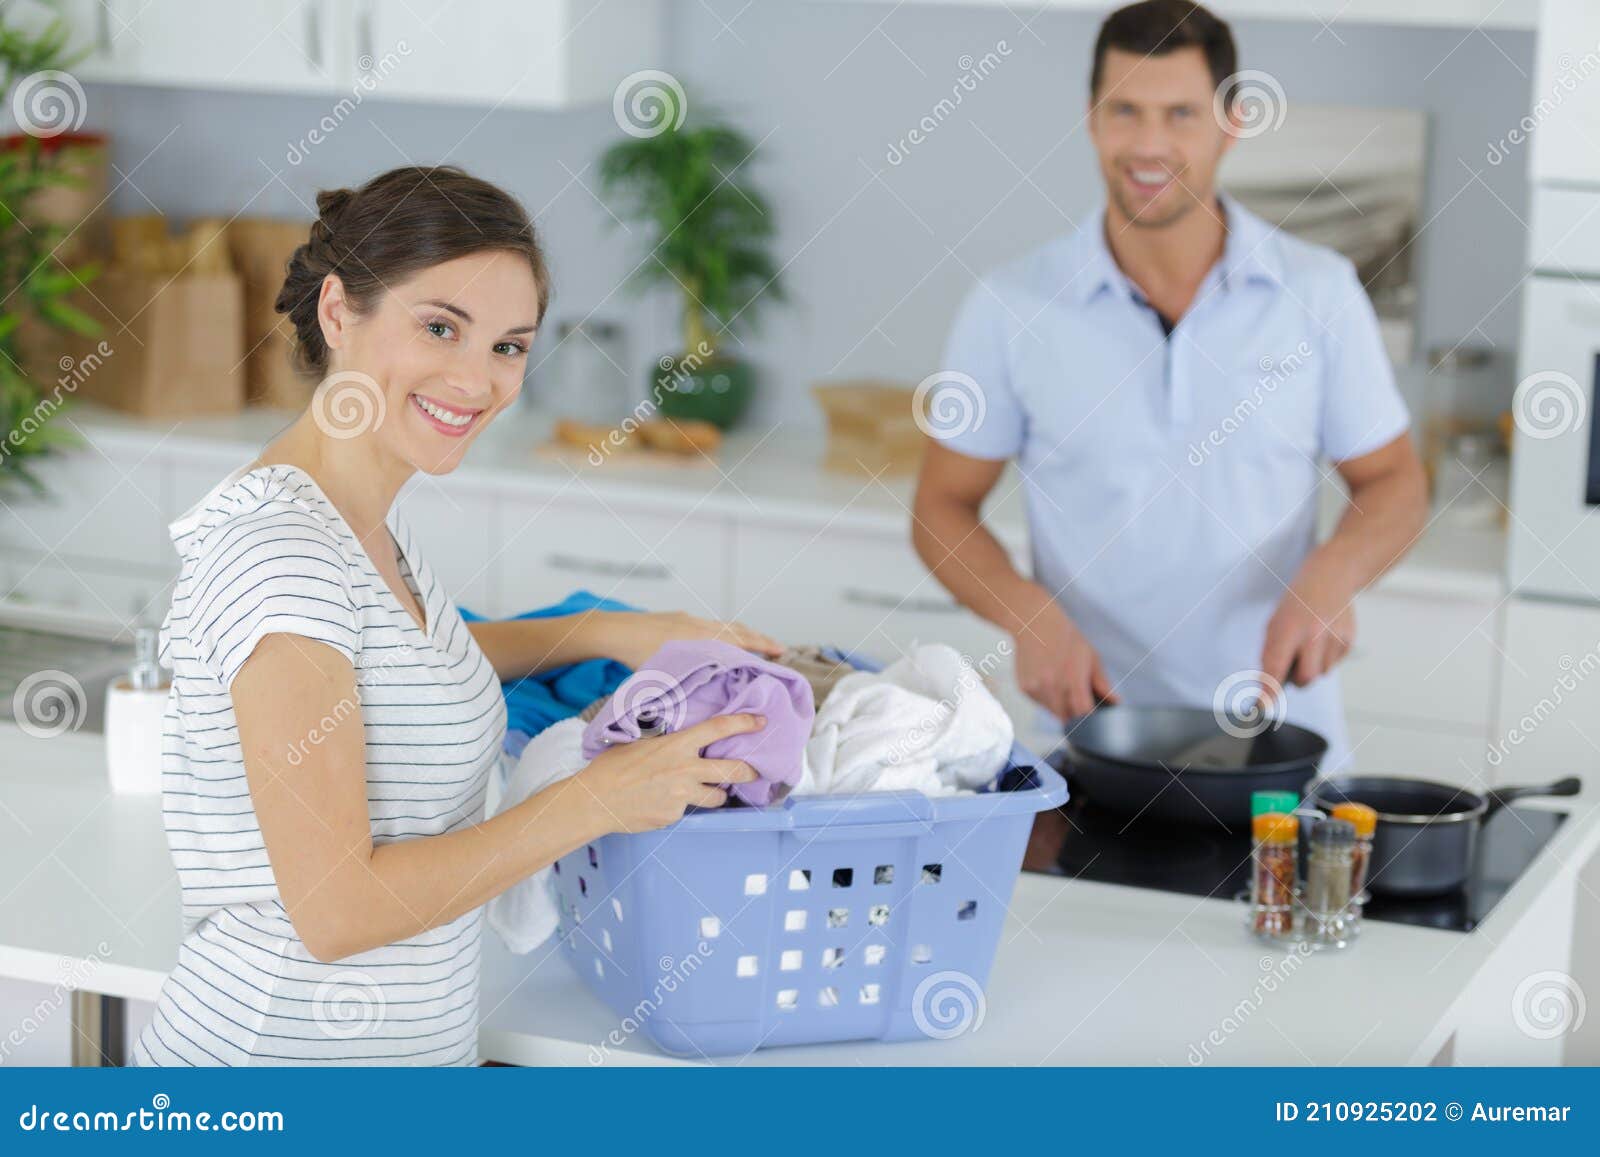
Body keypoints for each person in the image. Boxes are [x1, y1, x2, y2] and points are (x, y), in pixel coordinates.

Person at [133, 166, 777, 1066]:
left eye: (509, 346)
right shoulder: (285, 557)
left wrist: (605, 629)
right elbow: (337, 910)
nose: (476, 380)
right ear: (337, 313)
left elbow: (389, 665)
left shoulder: (356, 523)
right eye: (440, 327)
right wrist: (599, 799)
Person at [911, 0, 1428, 767]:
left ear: (1231, 122)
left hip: (1276, 742)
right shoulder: (1011, 305)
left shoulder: (1318, 293)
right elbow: (939, 509)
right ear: (1092, 119)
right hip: (1083, 741)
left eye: (1181, 114)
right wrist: (1027, 616)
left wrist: (1334, 574)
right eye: (1127, 111)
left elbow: (1394, 483)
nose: (1149, 144)